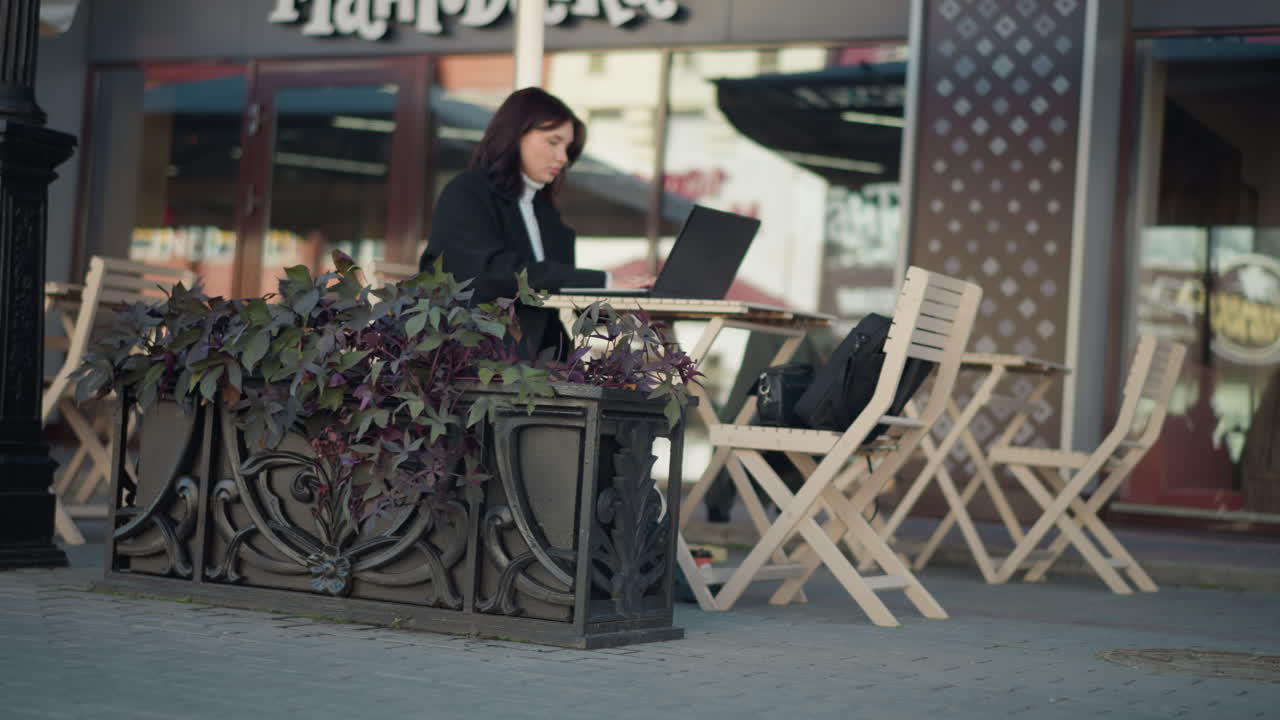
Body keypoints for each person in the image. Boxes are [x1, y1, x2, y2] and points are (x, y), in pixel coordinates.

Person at [420, 87, 653, 358]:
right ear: (515, 135)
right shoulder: (467, 192)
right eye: (553, 142)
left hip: (538, 362)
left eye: (567, 148)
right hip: (471, 358)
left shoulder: (546, 214)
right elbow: (494, 273)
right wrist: (605, 280)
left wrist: (628, 302)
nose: (563, 158)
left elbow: (553, 300)